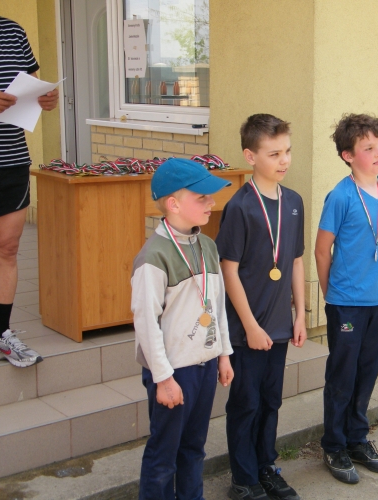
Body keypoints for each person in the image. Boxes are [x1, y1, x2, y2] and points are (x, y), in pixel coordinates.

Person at [131, 158, 234, 500]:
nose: (212, 202)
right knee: (164, 455)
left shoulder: (208, 246)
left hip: (204, 365)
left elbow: (216, 305)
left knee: (194, 448)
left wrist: (224, 354)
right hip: (173, 373)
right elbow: (146, 324)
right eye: (202, 197)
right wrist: (163, 378)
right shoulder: (153, 256)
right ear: (174, 204)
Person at [216, 114, 306, 500]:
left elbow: (296, 261)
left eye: (287, 151)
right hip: (247, 329)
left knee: (271, 400)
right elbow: (228, 270)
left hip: (280, 324)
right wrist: (251, 326)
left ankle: (266, 466)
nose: (284, 160)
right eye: (274, 154)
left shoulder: (294, 202)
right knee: (246, 403)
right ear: (250, 156)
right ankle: (243, 478)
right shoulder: (240, 207)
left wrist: (300, 314)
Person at [315, 113, 378, 484]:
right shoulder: (340, 197)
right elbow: (322, 250)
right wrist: (331, 297)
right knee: (342, 376)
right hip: (347, 304)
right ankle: (334, 445)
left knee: (367, 373)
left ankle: (357, 439)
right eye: (368, 148)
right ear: (348, 156)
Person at [0, 12, 59, 367]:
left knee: (7, 248)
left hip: (11, 160)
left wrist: (44, 99)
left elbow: (32, 87)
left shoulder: (13, 31)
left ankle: (0, 331)